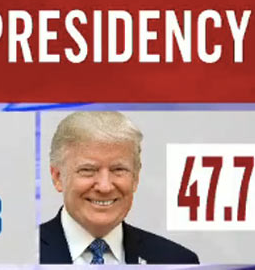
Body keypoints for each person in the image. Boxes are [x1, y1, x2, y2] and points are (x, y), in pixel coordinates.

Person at [39, 111, 197, 265]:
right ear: (57, 177)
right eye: (88, 170)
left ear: (135, 177)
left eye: (118, 170)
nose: (105, 186)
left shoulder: (176, 260)